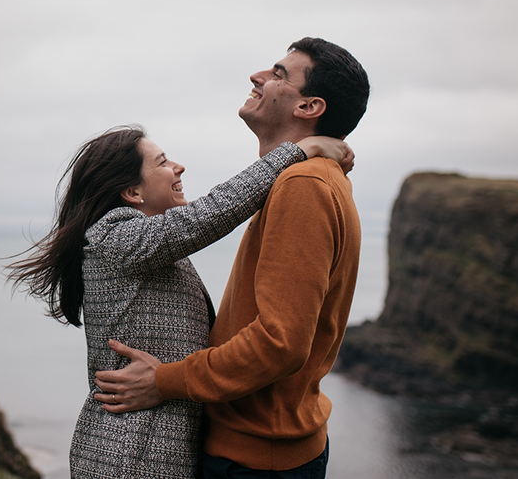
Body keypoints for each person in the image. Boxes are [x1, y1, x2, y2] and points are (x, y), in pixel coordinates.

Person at [7, 121, 354, 479]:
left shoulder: (147, 250)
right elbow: (209, 214)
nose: (178, 167)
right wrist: (299, 150)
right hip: (127, 457)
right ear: (131, 191)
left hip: (147, 451)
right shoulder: (112, 237)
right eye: (162, 162)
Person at [92, 37, 370, 479]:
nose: (258, 77)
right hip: (264, 449)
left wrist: (165, 381)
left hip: (256, 459)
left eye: (279, 74)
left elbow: (279, 344)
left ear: (309, 107)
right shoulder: (306, 179)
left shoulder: (304, 185)